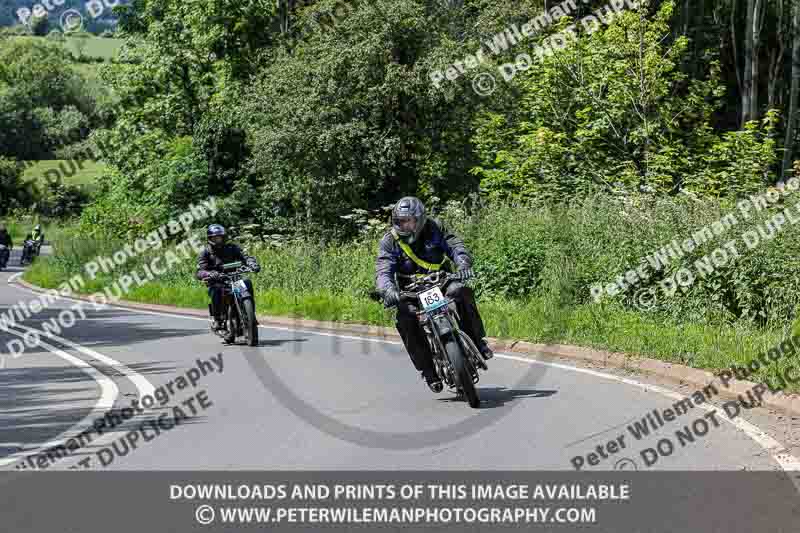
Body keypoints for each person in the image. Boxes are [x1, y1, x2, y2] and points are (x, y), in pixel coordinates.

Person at [375, 196, 493, 393]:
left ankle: (478, 342)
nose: (402, 226)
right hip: (410, 290)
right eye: (399, 221)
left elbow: (455, 245)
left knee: (460, 291)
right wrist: (387, 289)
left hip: (441, 280)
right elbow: (383, 268)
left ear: (419, 219)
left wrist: (463, 263)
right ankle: (428, 371)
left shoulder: (435, 228)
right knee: (404, 318)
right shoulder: (390, 241)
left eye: (407, 221)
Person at [196, 224, 261, 332]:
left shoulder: (232, 247)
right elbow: (199, 271)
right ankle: (218, 320)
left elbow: (246, 256)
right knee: (216, 290)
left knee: (247, 283)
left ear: (224, 237)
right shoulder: (205, 252)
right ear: (210, 238)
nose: (218, 240)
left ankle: (251, 316)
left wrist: (252, 264)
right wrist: (209, 274)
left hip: (234, 279)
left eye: (220, 237)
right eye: (215, 238)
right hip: (218, 281)